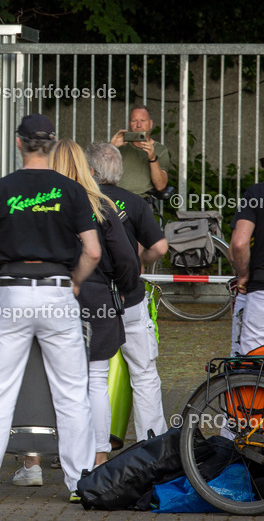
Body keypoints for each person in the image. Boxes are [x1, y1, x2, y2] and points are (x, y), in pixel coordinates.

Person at [0, 114, 101, 505]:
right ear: (53, 145)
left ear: (18, 143)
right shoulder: (72, 190)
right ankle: (80, 483)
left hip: (12, 291)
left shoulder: (0, 190)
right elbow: (93, 250)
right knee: (72, 393)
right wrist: (74, 281)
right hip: (57, 290)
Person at [45, 140, 140, 474]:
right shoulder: (102, 205)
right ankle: (99, 456)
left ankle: (51, 454)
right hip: (98, 298)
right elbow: (126, 258)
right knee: (96, 380)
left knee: (55, 381)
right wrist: (126, 289)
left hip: (52, 297)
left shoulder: (45, 206)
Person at [87, 142, 169, 441]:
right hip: (131, 298)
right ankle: (153, 444)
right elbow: (159, 247)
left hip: (93, 298)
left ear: (91, 170)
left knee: (91, 376)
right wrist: (139, 262)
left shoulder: (83, 201)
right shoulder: (135, 203)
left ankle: (89, 445)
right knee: (144, 374)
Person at [230, 176, 264, 353]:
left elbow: (239, 243)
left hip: (261, 288)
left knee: (253, 363)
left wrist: (243, 274)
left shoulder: (256, 193)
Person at [110, 105, 171, 197]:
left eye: (143, 121)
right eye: (134, 121)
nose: (139, 125)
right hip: (117, 200)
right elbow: (95, 173)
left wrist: (153, 158)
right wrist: (110, 146)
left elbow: (160, 186)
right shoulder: (118, 146)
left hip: (142, 201)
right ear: (129, 124)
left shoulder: (160, 150)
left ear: (150, 124)